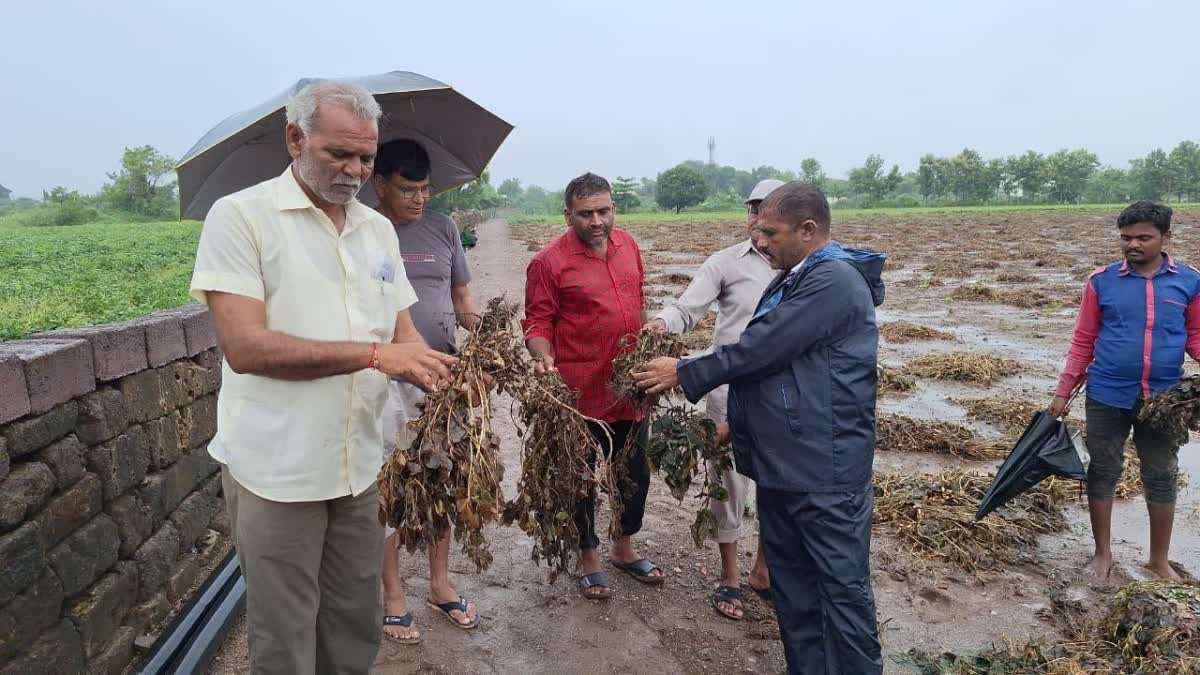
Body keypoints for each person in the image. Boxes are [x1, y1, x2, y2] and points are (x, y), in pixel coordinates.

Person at [189, 80, 457, 675]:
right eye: (340, 154)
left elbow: (402, 331)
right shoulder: (241, 219)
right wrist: (374, 356)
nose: (356, 170)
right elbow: (246, 347)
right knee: (285, 634)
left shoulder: (377, 231)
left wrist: (438, 369)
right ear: (295, 139)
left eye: (366, 157)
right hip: (276, 469)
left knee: (353, 622)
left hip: (359, 462)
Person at [633, 182, 885, 674]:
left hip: (824, 470)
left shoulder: (832, 280)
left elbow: (762, 347)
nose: (760, 241)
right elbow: (777, 372)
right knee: (793, 590)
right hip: (785, 464)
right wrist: (736, 426)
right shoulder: (794, 274)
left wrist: (682, 371)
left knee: (839, 591)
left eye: (770, 232)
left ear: (808, 230)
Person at [521, 172, 665, 600]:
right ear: (568, 215)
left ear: (614, 208)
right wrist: (541, 355)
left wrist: (649, 350)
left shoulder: (630, 247)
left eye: (604, 211)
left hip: (629, 386)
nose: (598, 221)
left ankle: (623, 546)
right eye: (586, 214)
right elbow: (537, 320)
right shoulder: (548, 262)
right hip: (579, 392)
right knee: (579, 476)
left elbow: (638, 304)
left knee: (634, 472)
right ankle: (589, 556)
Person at [643, 178, 781, 620]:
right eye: (752, 209)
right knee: (728, 482)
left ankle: (763, 569)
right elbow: (688, 308)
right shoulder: (726, 263)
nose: (757, 218)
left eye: (767, 209)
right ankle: (728, 578)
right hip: (729, 388)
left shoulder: (803, 267)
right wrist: (663, 324)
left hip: (781, 395)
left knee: (777, 484)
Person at [1050, 200, 1196, 581]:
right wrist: (1063, 393)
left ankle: (1158, 560)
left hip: (1164, 400)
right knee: (1102, 470)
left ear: (1166, 237)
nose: (1133, 245)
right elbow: (1084, 340)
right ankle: (1102, 554)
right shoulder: (1102, 281)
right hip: (1107, 394)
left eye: (1144, 237)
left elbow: (1195, 336)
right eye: (1126, 238)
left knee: (1162, 473)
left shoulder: (1189, 281)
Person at [372, 139, 483, 642]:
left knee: (444, 481)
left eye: (425, 189)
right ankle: (393, 594)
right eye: (407, 189)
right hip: (383, 384)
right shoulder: (363, 232)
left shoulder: (444, 228)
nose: (419, 199)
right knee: (390, 489)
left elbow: (460, 295)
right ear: (380, 185)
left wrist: (485, 337)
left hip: (444, 379)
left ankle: (440, 584)